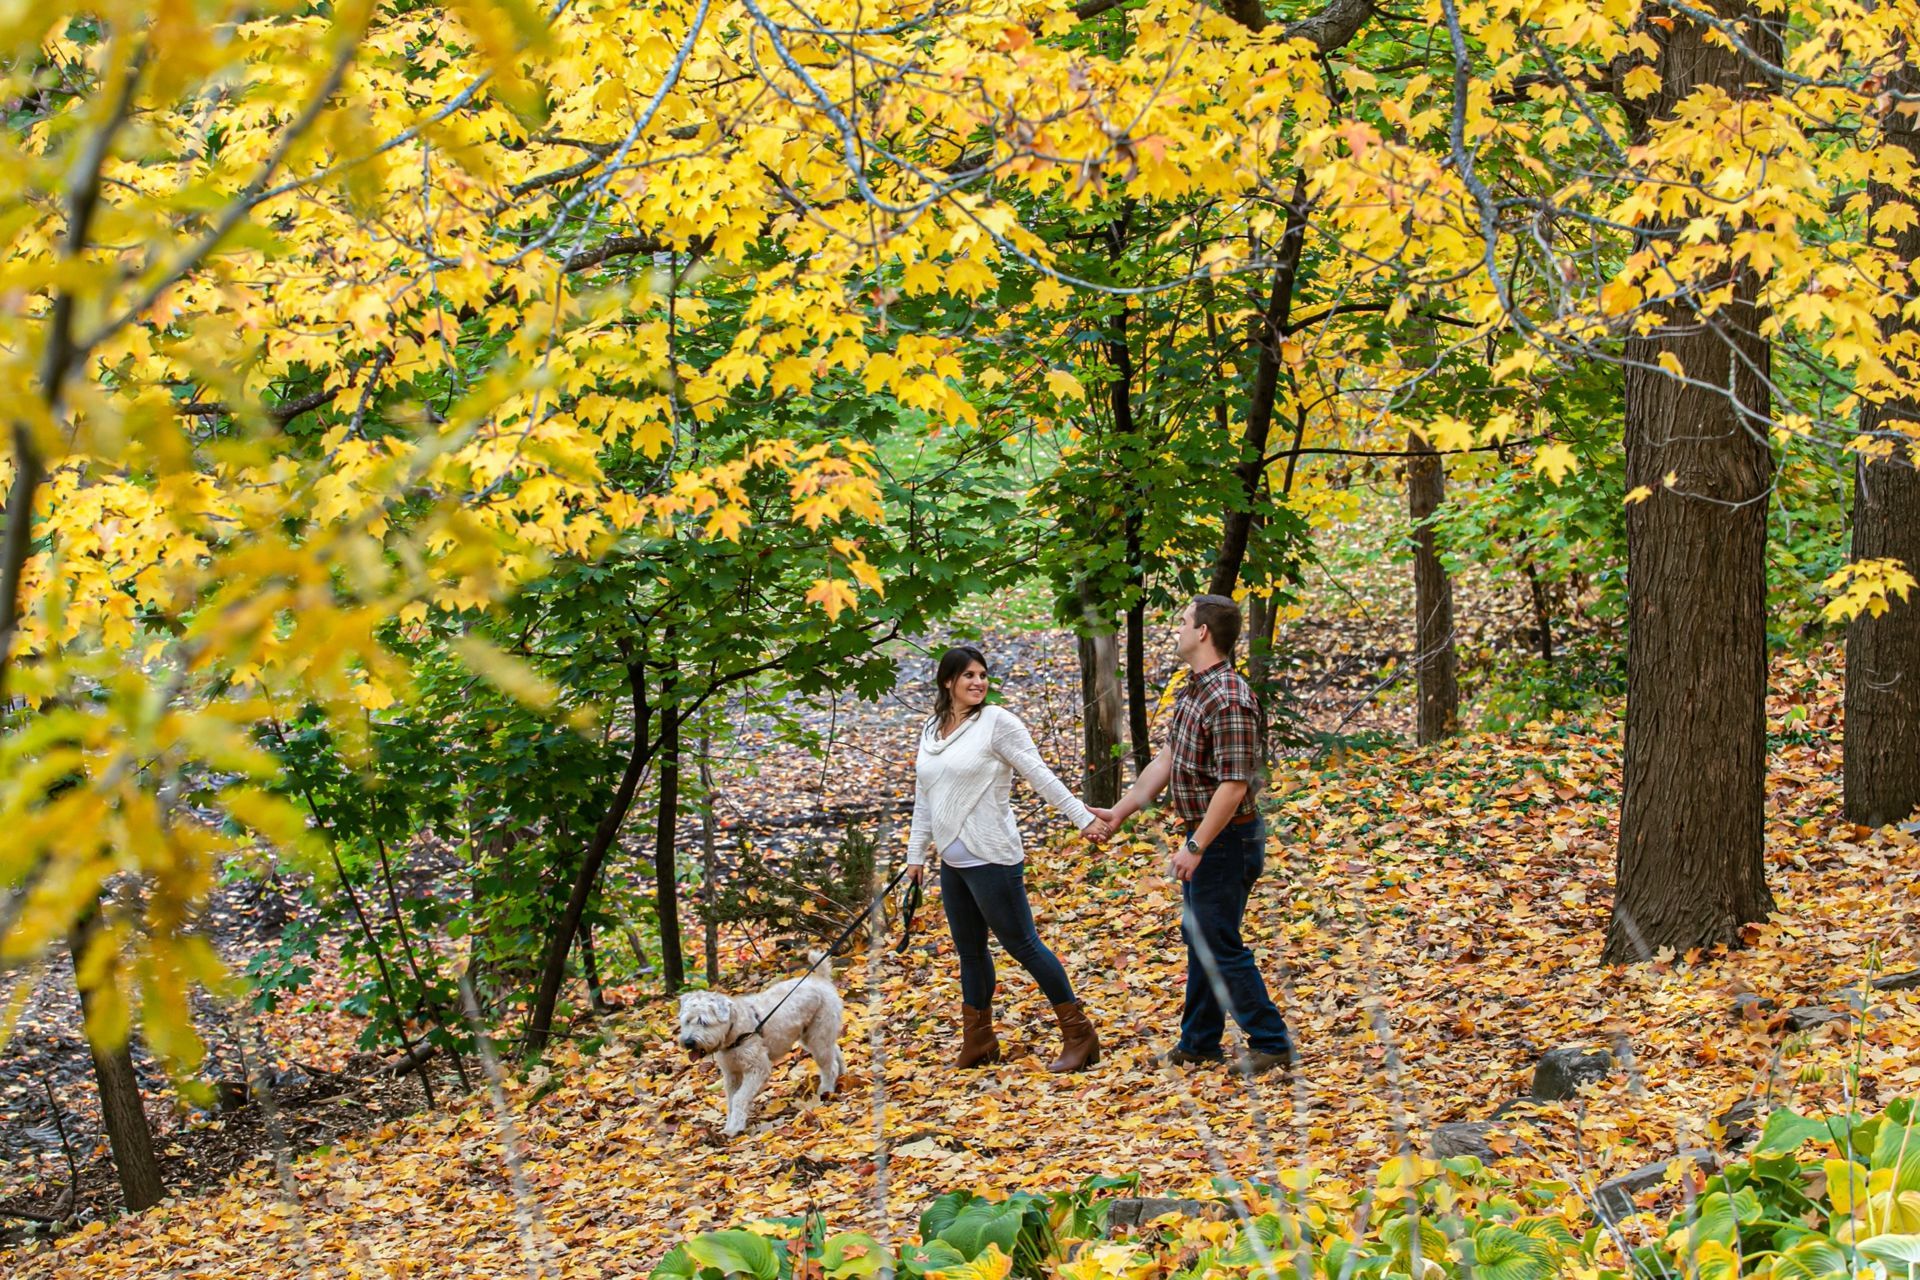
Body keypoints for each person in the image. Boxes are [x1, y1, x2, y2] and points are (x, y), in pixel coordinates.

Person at [1091, 596, 1296, 1076]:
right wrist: (1120, 812)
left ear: (1203, 632)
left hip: (1226, 841)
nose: (1177, 629)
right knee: (1202, 935)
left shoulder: (1229, 698)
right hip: (1208, 838)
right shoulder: (1196, 691)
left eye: (1184, 621)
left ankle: (1271, 1040)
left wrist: (1196, 845)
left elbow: (1234, 784)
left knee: (1215, 937)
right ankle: (1200, 1041)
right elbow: (1166, 760)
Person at [906, 644, 1111, 1072]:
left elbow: (1039, 774)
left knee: (1023, 945)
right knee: (971, 952)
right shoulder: (931, 729)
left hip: (992, 857)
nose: (978, 682)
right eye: (969, 676)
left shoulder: (998, 723)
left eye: (982, 675)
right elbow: (924, 795)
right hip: (952, 862)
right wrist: (916, 855)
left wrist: (1081, 817)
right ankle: (979, 1041)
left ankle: (1079, 1034)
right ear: (948, 681)